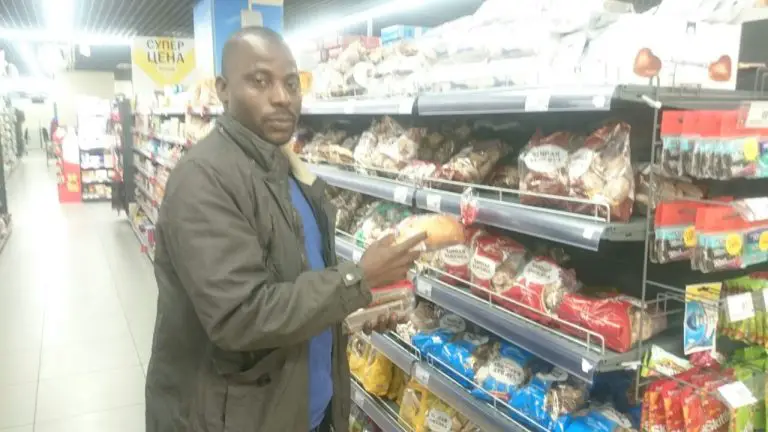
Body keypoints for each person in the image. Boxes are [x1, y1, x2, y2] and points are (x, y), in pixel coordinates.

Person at [145, 27, 424, 432]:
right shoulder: (202, 179)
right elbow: (241, 315)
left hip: (303, 411)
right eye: (260, 81)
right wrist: (357, 279)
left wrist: (357, 307)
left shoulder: (288, 171)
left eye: (291, 83)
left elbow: (296, 284)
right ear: (223, 90)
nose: (281, 97)